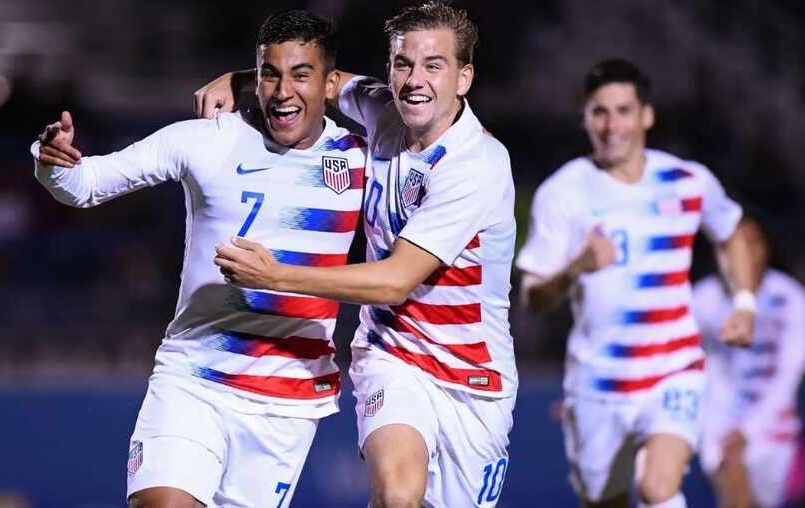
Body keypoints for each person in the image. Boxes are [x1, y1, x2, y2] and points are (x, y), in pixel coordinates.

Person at [32, 10, 367, 508]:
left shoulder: (362, 157)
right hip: (194, 378)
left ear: (330, 83)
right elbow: (86, 185)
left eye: (301, 75)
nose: (282, 91)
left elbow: (414, 101)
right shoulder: (206, 139)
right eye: (269, 74)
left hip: (287, 401)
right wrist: (50, 159)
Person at [196, 2, 517, 507]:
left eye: (434, 65)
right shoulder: (381, 105)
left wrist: (278, 275)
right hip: (392, 354)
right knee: (398, 496)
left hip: (472, 377)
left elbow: (396, 281)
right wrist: (235, 79)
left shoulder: (476, 165)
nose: (414, 80)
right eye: (402, 64)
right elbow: (318, 76)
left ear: (464, 78)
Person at [514, 58, 756, 508]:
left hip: (672, 370)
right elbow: (532, 298)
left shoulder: (685, 181)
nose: (611, 125)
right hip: (596, 384)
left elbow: (732, 233)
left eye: (623, 110)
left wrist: (744, 303)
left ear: (646, 115)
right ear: (585, 119)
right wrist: (575, 268)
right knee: (605, 500)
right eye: (599, 112)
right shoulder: (562, 193)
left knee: (657, 487)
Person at [694, 218, 805, 508]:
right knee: (733, 480)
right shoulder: (702, 300)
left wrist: (749, 431)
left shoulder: (791, 298)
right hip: (720, 429)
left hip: (774, 431)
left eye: (752, 243)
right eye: (733, 244)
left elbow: (787, 376)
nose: (743, 252)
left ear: (765, 248)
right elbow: (666, 353)